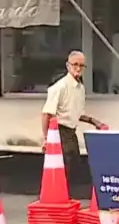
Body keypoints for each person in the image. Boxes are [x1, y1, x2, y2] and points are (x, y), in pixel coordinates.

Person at [42, 50, 106, 193]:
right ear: (68, 66)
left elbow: (76, 113)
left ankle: (64, 193)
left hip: (70, 130)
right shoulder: (59, 87)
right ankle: (59, 194)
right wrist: (46, 138)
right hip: (59, 130)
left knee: (74, 163)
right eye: (75, 64)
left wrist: (93, 121)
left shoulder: (80, 88)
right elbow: (46, 113)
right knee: (64, 163)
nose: (78, 68)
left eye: (81, 65)